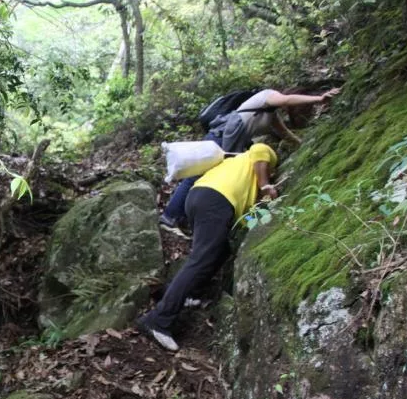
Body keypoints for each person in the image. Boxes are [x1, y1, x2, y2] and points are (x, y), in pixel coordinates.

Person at [136, 143, 279, 351]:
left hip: (199, 197)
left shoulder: (241, 176)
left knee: (220, 251)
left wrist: (264, 204)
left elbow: (246, 221)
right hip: (215, 199)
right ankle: (158, 320)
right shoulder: (258, 155)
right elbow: (259, 151)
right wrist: (267, 185)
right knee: (201, 259)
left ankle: (189, 293)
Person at [159, 88, 340, 231]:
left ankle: (186, 219)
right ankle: (170, 216)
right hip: (222, 136)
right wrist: (319, 99)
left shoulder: (270, 114)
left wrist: (306, 146)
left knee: (210, 178)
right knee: (197, 176)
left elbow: (285, 134)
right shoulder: (267, 95)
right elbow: (285, 100)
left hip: (231, 141)